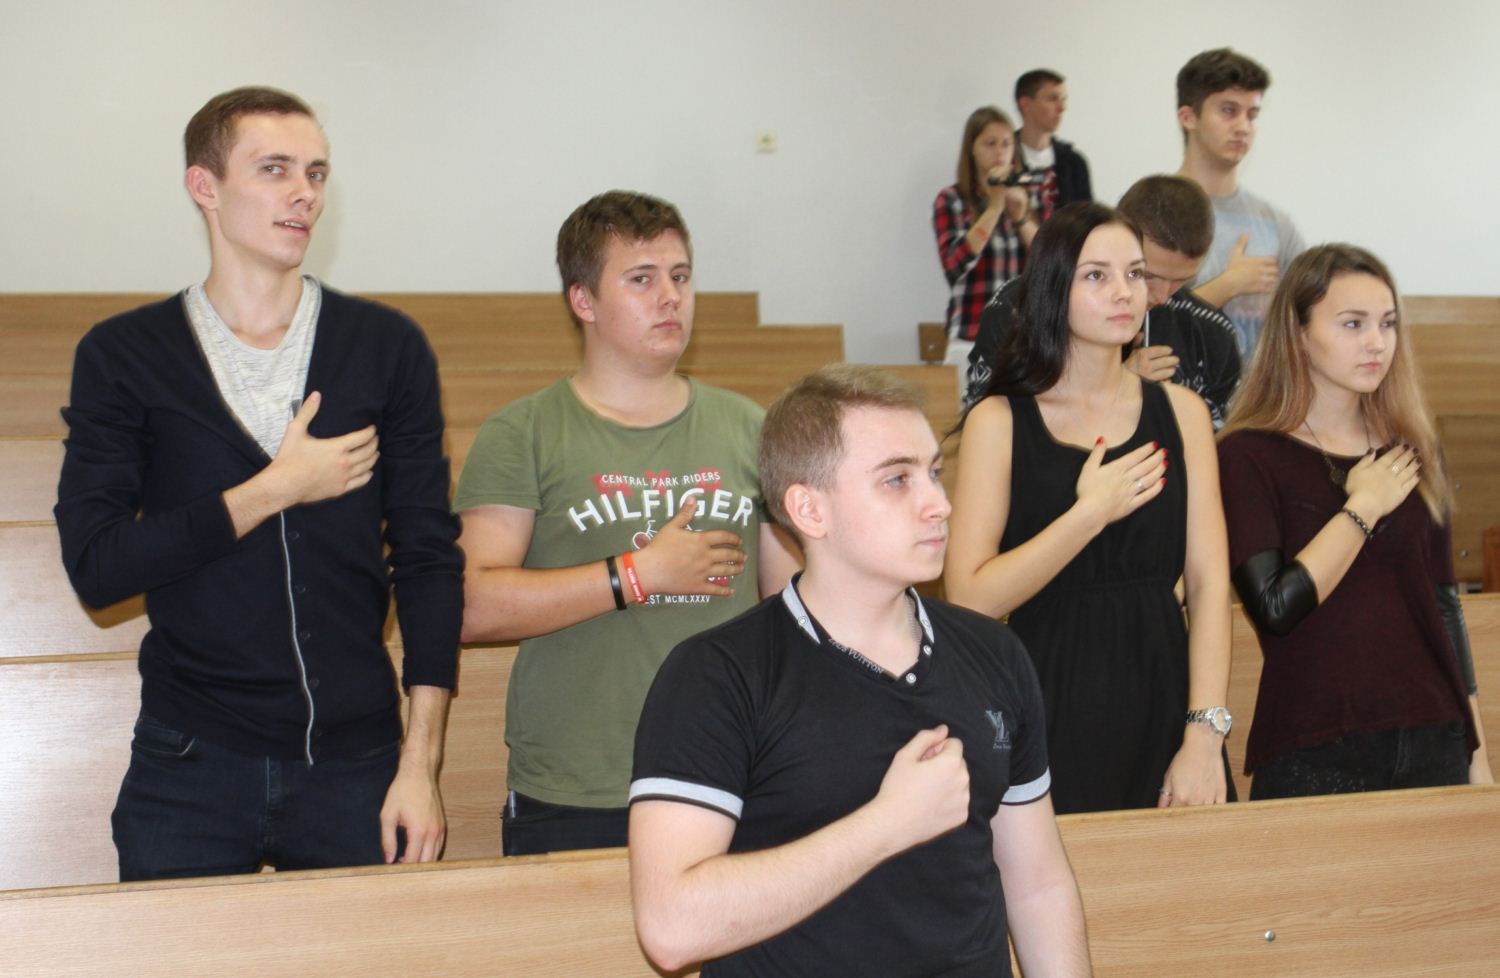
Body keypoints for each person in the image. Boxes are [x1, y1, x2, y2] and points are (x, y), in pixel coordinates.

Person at [55, 87, 461, 880]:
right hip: (189, 764)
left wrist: (421, 766)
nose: (304, 192)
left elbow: (428, 561)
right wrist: (276, 488)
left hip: (361, 765)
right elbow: (99, 569)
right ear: (204, 186)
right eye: (274, 169)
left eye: (316, 172)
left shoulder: (386, 346)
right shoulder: (123, 355)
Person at [629, 365, 1091, 978]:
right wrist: (887, 824)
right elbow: (672, 929)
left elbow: (1037, 886)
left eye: (933, 472)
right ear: (809, 510)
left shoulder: (995, 653)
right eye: (897, 480)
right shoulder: (717, 676)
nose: (940, 504)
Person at [453, 190, 801, 856]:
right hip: (579, 788)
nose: (671, 297)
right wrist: (636, 575)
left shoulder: (749, 427)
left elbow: (793, 609)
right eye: (642, 279)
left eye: (681, 276)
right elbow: (469, 605)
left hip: (733, 775)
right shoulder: (524, 432)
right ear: (583, 301)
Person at [945, 202, 1233, 815]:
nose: (1124, 292)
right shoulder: (999, 420)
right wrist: (1088, 515)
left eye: (1135, 274)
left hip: (1165, 694)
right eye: (1096, 275)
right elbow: (970, 598)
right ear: (1054, 289)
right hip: (1048, 699)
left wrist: (1205, 734)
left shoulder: (1182, 413)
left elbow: (1210, 585)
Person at [1217, 244, 1492, 798]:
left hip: (1432, 732)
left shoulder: (1413, 448)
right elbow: (1275, 608)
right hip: (1314, 743)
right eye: (1352, 324)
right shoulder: (1247, 454)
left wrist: (1478, 752)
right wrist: (1362, 509)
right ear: (1298, 334)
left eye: (1387, 324)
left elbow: (1444, 607)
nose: (1377, 342)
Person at [966, 175, 1241, 426]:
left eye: (1182, 280)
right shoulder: (1016, 310)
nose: (1162, 296)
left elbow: (1221, 450)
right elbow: (982, 435)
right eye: (1146, 274)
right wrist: (1112, 387)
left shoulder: (1211, 334)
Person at [1176, 47, 1304, 354]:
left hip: (1260, 386)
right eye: (1228, 110)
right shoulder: (1149, 211)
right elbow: (1142, 323)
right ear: (1188, 117)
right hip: (1176, 384)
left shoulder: (1275, 223)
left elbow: (1309, 314)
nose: (1243, 127)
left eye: (1252, 115)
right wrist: (1229, 285)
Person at [933, 106, 1039, 371]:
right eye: (990, 143)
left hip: (1021, 339)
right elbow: (954, 265)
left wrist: (1021, 217)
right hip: (971, 336)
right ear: (972, 148)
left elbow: (1049, 260)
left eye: (1007, 144)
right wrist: (994, 207)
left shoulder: (1026, 197)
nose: (1000, 152)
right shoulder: (952, 200)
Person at [1014, 69, 1092, 220]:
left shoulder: (1073, 163)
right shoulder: (1003, 158)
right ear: (1025, 104)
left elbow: (1087, 221)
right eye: (1052, 99)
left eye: (1063, 99)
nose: (1062, 107)